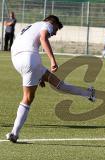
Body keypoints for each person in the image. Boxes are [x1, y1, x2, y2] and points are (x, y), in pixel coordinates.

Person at [6, 15, 96, 143]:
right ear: (52, 23)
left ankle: (89, 93)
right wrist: (53, 60)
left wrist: (38, 76)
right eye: (55, 30)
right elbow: (43, 38)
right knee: (27, 98)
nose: (53, 34)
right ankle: (14, 133)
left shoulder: (31, 26)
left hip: (17, 60)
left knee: (60, 84)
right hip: (29, 59)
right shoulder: (46, 24)